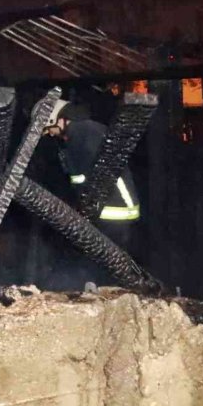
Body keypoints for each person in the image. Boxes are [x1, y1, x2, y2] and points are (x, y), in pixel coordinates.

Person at [41, 100, 140, 286]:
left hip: (111, 210)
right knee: (110, 264)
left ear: (58, 119)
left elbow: (80, 178)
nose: (49, 134)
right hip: (115, 209)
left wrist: (80, 207)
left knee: (101, 265)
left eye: (48, 128)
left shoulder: (79, 135)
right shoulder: (88, 129)